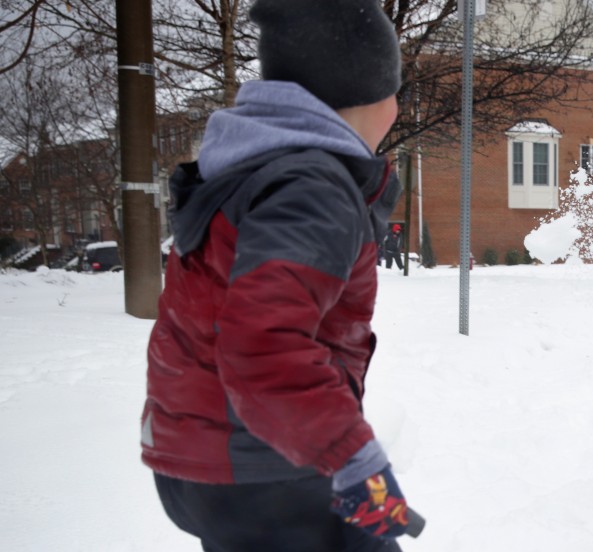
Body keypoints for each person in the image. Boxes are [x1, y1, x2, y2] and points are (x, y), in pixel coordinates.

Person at [140, 1, 413, 550]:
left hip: (206, 459)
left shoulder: (252, 165)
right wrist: (354, 458)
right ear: (368, 95)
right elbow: (264, 344)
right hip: (269, 473)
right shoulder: (311, 186)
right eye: (395, 88)